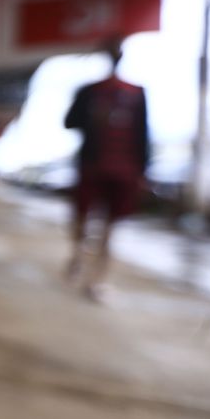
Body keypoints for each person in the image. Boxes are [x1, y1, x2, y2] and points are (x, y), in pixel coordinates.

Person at [63, 36, 150, 301]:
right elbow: (69, 121)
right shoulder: (92, 91)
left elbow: (143, 134)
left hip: (119, 167)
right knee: (90, 220)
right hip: (101, 164)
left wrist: (143, 170)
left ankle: (94, 276)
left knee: (105, 225)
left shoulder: (134, 92)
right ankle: (84, 261)